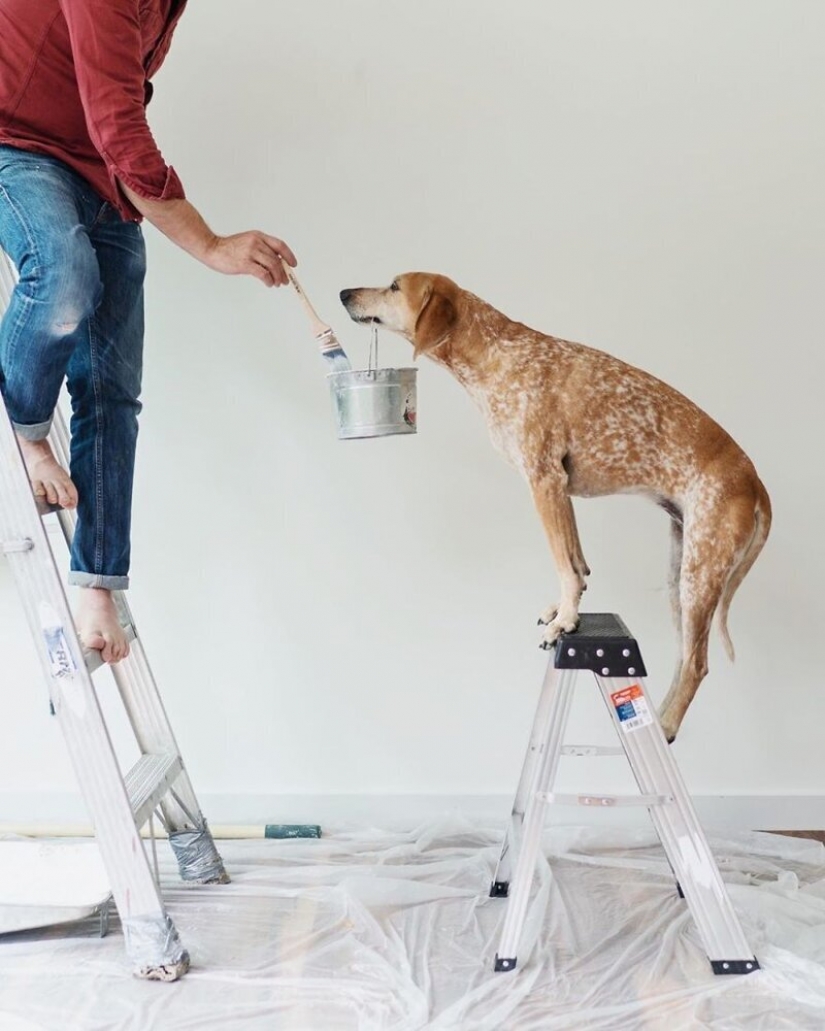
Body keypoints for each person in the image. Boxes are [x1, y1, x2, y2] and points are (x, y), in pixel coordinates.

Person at [0, 0, 296, 664]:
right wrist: (213, 245)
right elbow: (118, 121)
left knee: (113, 389)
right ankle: (23, 435)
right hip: (14, 143)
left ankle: (97, 581)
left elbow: (113, 109)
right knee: (63, 278)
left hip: (96, 173)